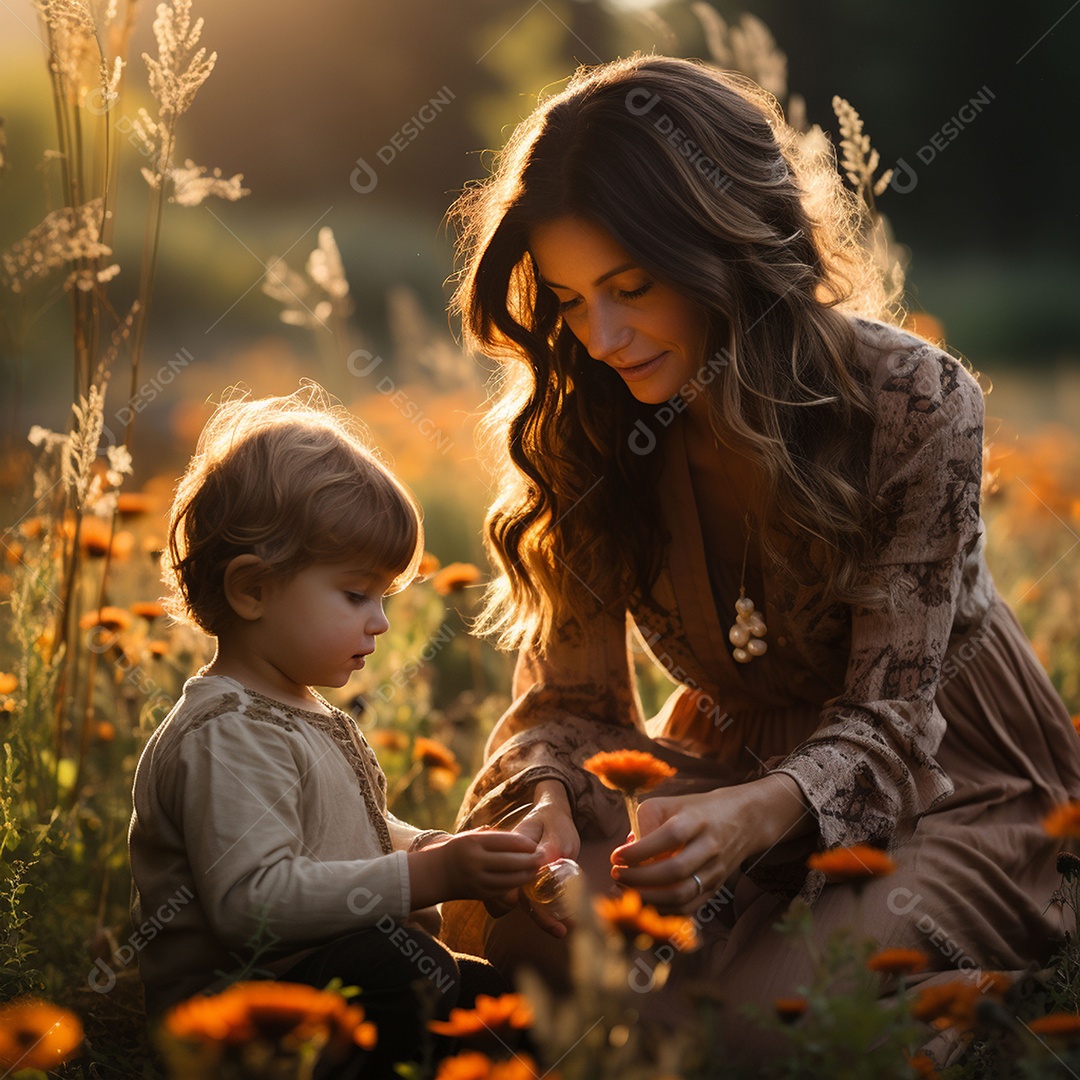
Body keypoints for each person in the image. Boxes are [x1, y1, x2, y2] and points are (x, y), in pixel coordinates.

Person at [438, 54, 1080, 1066]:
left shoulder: (914, 401)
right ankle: (723, 994)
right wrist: (551, 805)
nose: (599, 336)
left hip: (940, 772)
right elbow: (571, 706)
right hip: (729, 760)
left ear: (724, 252)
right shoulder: (587, 423)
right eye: (566, 300)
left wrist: (760, 816)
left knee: (756, 1027)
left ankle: (954, 997)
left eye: (631, 288)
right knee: (531, 929)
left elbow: (892, 721)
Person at [128, 385, 543, 1075]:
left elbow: (347, 827)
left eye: (384, 597)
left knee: (490, 999)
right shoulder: (225, 733)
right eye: (356, 595)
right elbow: (251, 906)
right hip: (239, 1017)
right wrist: (427, 874)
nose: (379, 621)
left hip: (327, 977)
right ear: (251, 590)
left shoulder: (296, 707)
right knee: (402, 972)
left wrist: (440, 848)